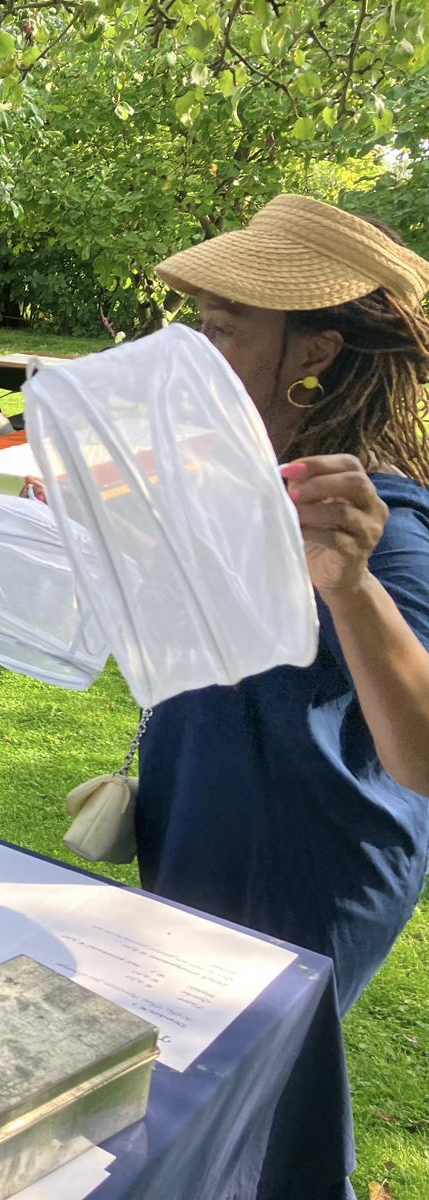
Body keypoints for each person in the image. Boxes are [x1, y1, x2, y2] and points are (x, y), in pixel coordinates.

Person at [145, 194, 429, 1198]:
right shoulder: (243, 478)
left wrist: (350, 589)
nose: (198, 348)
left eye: (225, 327)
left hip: (305, 860)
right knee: (198, 1089)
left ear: (314, 351)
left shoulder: (380, 521)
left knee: (255, 1105)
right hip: (201, 819)